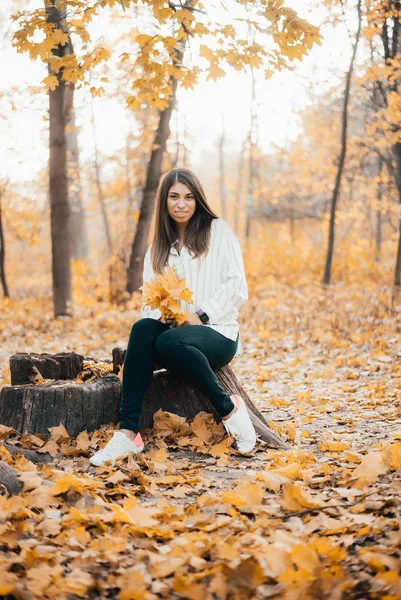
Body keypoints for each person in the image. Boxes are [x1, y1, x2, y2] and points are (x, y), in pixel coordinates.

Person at [90, 167, 256, 466]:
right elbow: (149, 303)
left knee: (168, 343)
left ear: (198, 200)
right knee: (142, 329)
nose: (182, 204)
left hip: (218, 332)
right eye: (175, 196)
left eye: (189, 197)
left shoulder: (217, 231)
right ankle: (128, 434)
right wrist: (165, 316)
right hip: (174, 336)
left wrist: (200, 315)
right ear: (165, 202)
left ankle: (229, 407)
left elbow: (237, 286)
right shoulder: (158, 250)